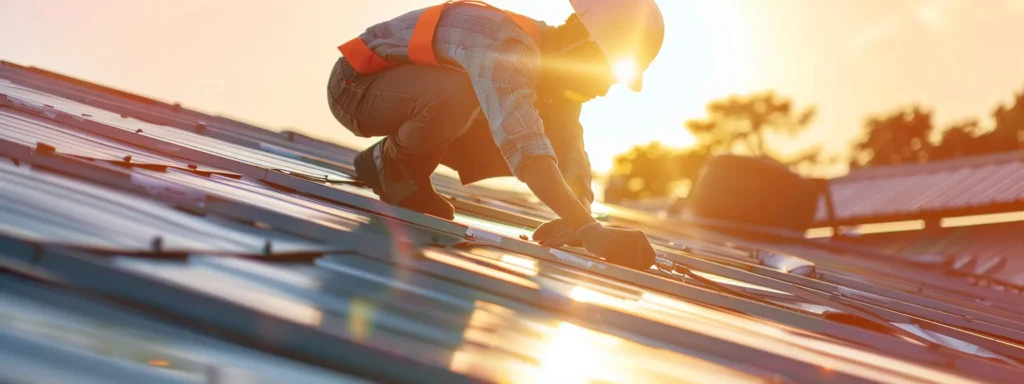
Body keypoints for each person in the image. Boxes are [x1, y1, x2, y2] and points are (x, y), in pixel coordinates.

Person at [326, 0, 664, 270]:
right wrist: (592, 231)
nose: (605, 89)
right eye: (607, 70)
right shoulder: (505, 43)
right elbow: (524, 145)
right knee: (474, 100)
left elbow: (569, 146)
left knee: (537, 121)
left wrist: (578, 219)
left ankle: (398, 168)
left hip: (406, 94)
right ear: (581, 41)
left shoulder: (552, 75)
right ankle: (392, 165)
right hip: (356, 86)